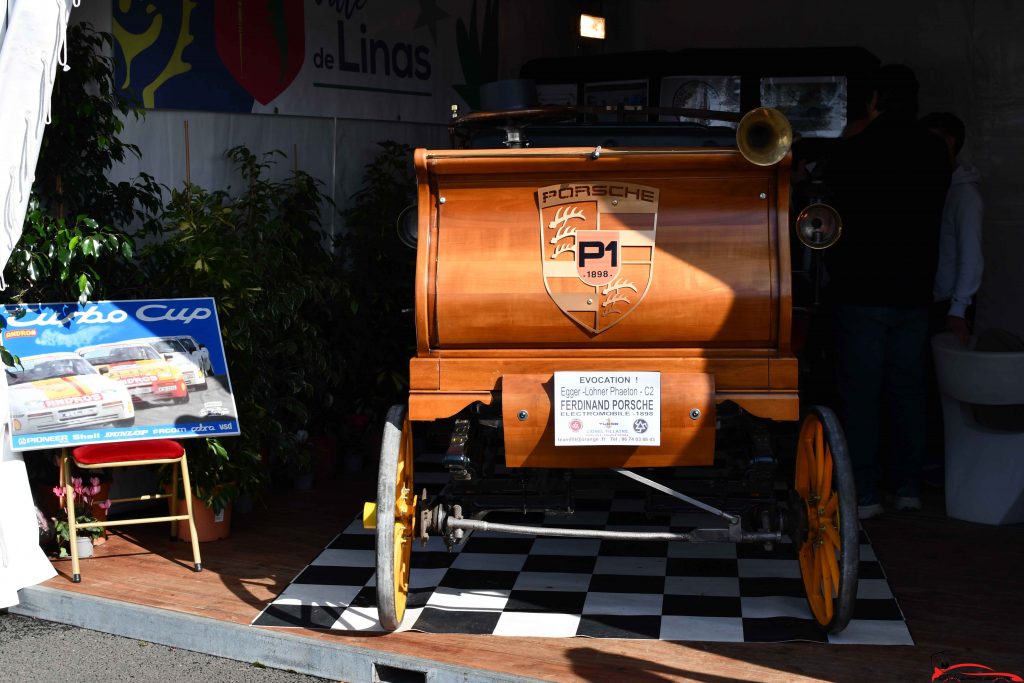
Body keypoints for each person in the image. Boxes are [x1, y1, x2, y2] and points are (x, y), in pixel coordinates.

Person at [822, 64, 952, 520]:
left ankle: (867, 495)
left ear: (875, 99)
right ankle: (908, 488)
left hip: (860, 290)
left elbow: (827, 196)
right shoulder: (936, 152)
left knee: (860, 395)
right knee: (908, 393)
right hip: (914, 291)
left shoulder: (855, 150)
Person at [920, 112, 984, 345]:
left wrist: (958, 310)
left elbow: (971, 255)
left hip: (949, 304)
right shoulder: (942, 187)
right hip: (937, 299)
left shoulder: (965, 195)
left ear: (949, 143)